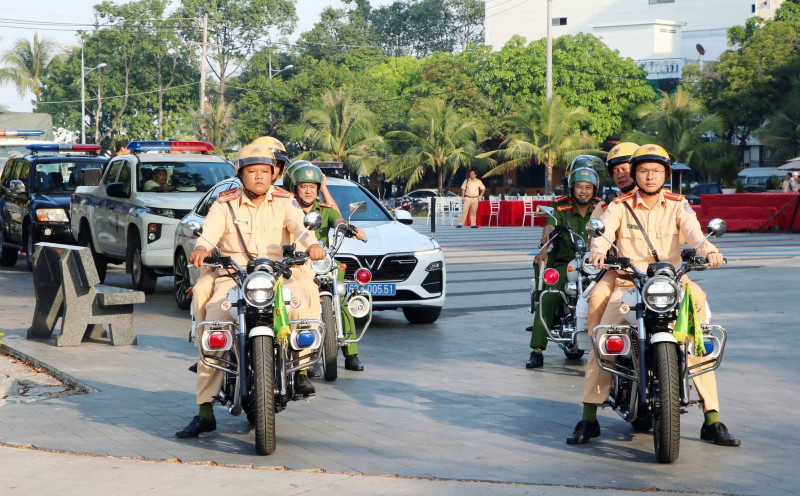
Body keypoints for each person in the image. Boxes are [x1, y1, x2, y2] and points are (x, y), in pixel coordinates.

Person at [567, 144, 740, 447]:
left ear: (666, 175)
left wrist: (709, 250)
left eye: (656, 171)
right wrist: (597, 252)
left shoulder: (678, 204)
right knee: (604, 339)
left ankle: (712, 419)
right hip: (628, 283)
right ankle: (589, 417)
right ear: (635, 174)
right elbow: (603, 233)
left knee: (695, 335)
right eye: (644, 171)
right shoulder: (620, 205)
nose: (650, 177)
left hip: (671, 283)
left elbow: (695, 233)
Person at [176, 144, 326, 439]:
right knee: (215, 330)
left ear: (273, 174)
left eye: (264, 172)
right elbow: (209, 232)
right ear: (240, 174)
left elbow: (301, 227)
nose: (259, 177)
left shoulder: (286, 201)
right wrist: (202, 247)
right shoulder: (225, 203)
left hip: (277, 275)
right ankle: (205, 411)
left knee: (301, 306)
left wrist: (311, 244)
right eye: (252, 171)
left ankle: (300, 367)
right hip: (234, 276)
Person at [284, 162, 368, 372]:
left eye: (313, 186)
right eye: (304, 186)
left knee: (342, 296)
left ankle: (351, 353)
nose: (309, 190)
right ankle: (306, 354)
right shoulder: (287, 210)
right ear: (295, 188)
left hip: (323, 263)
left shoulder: (323, 210)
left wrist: (350, 229)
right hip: (297, 264)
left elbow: (337, 219)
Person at [526, 158, 602, 369]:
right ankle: (537, 350)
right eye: (579, 187)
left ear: (594, 189)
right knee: (550, 293)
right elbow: (550, 228)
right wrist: (543, 249)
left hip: (596, 264)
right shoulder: (561, 206)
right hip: (565, 264)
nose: (584, 191)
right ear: (572, 188)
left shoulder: (603, 207)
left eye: (588, 187)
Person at [585, 143, 639, 340]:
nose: (620, 174)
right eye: (615, 170)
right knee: (597, 298)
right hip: (617, 271)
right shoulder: (606, 204)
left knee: (696, 297)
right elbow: (594, 238)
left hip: (657, 271)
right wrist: (599, 251)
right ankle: (598, 350)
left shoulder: (658, 199)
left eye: (625, 169)